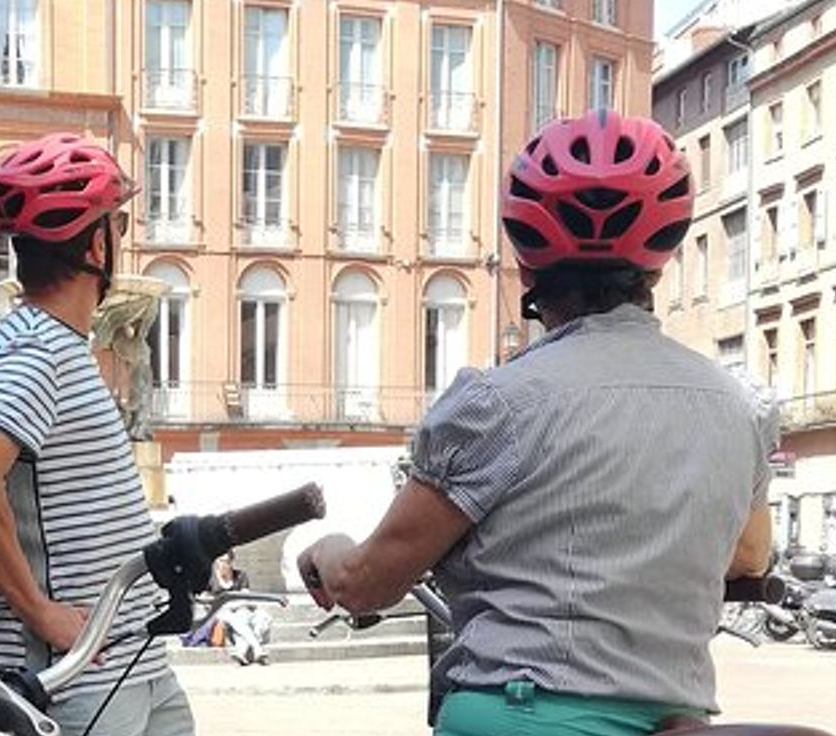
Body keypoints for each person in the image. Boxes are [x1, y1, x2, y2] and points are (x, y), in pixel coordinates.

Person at [297, 109, 778, 736]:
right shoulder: (739, 408)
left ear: (527, 269)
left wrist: (327, 551)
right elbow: (748, 557)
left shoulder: (495, 405)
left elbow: (367, 585)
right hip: (672, 716)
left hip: (519, 713)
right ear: (658, 266)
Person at [0, 134, 194, 736]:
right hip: (71, 677)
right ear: (98, 243)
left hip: (130, 662)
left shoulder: (55, 345)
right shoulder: (38, 352)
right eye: (118, 225)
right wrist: (41, 613)